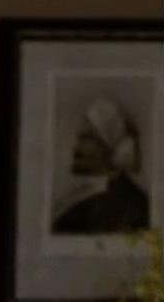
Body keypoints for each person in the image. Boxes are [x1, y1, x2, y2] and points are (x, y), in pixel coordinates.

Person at [52, 97, 151, 235]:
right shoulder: (77, 199)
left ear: (106, 145)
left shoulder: (134, 207)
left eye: (85, 138)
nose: (76, 147)